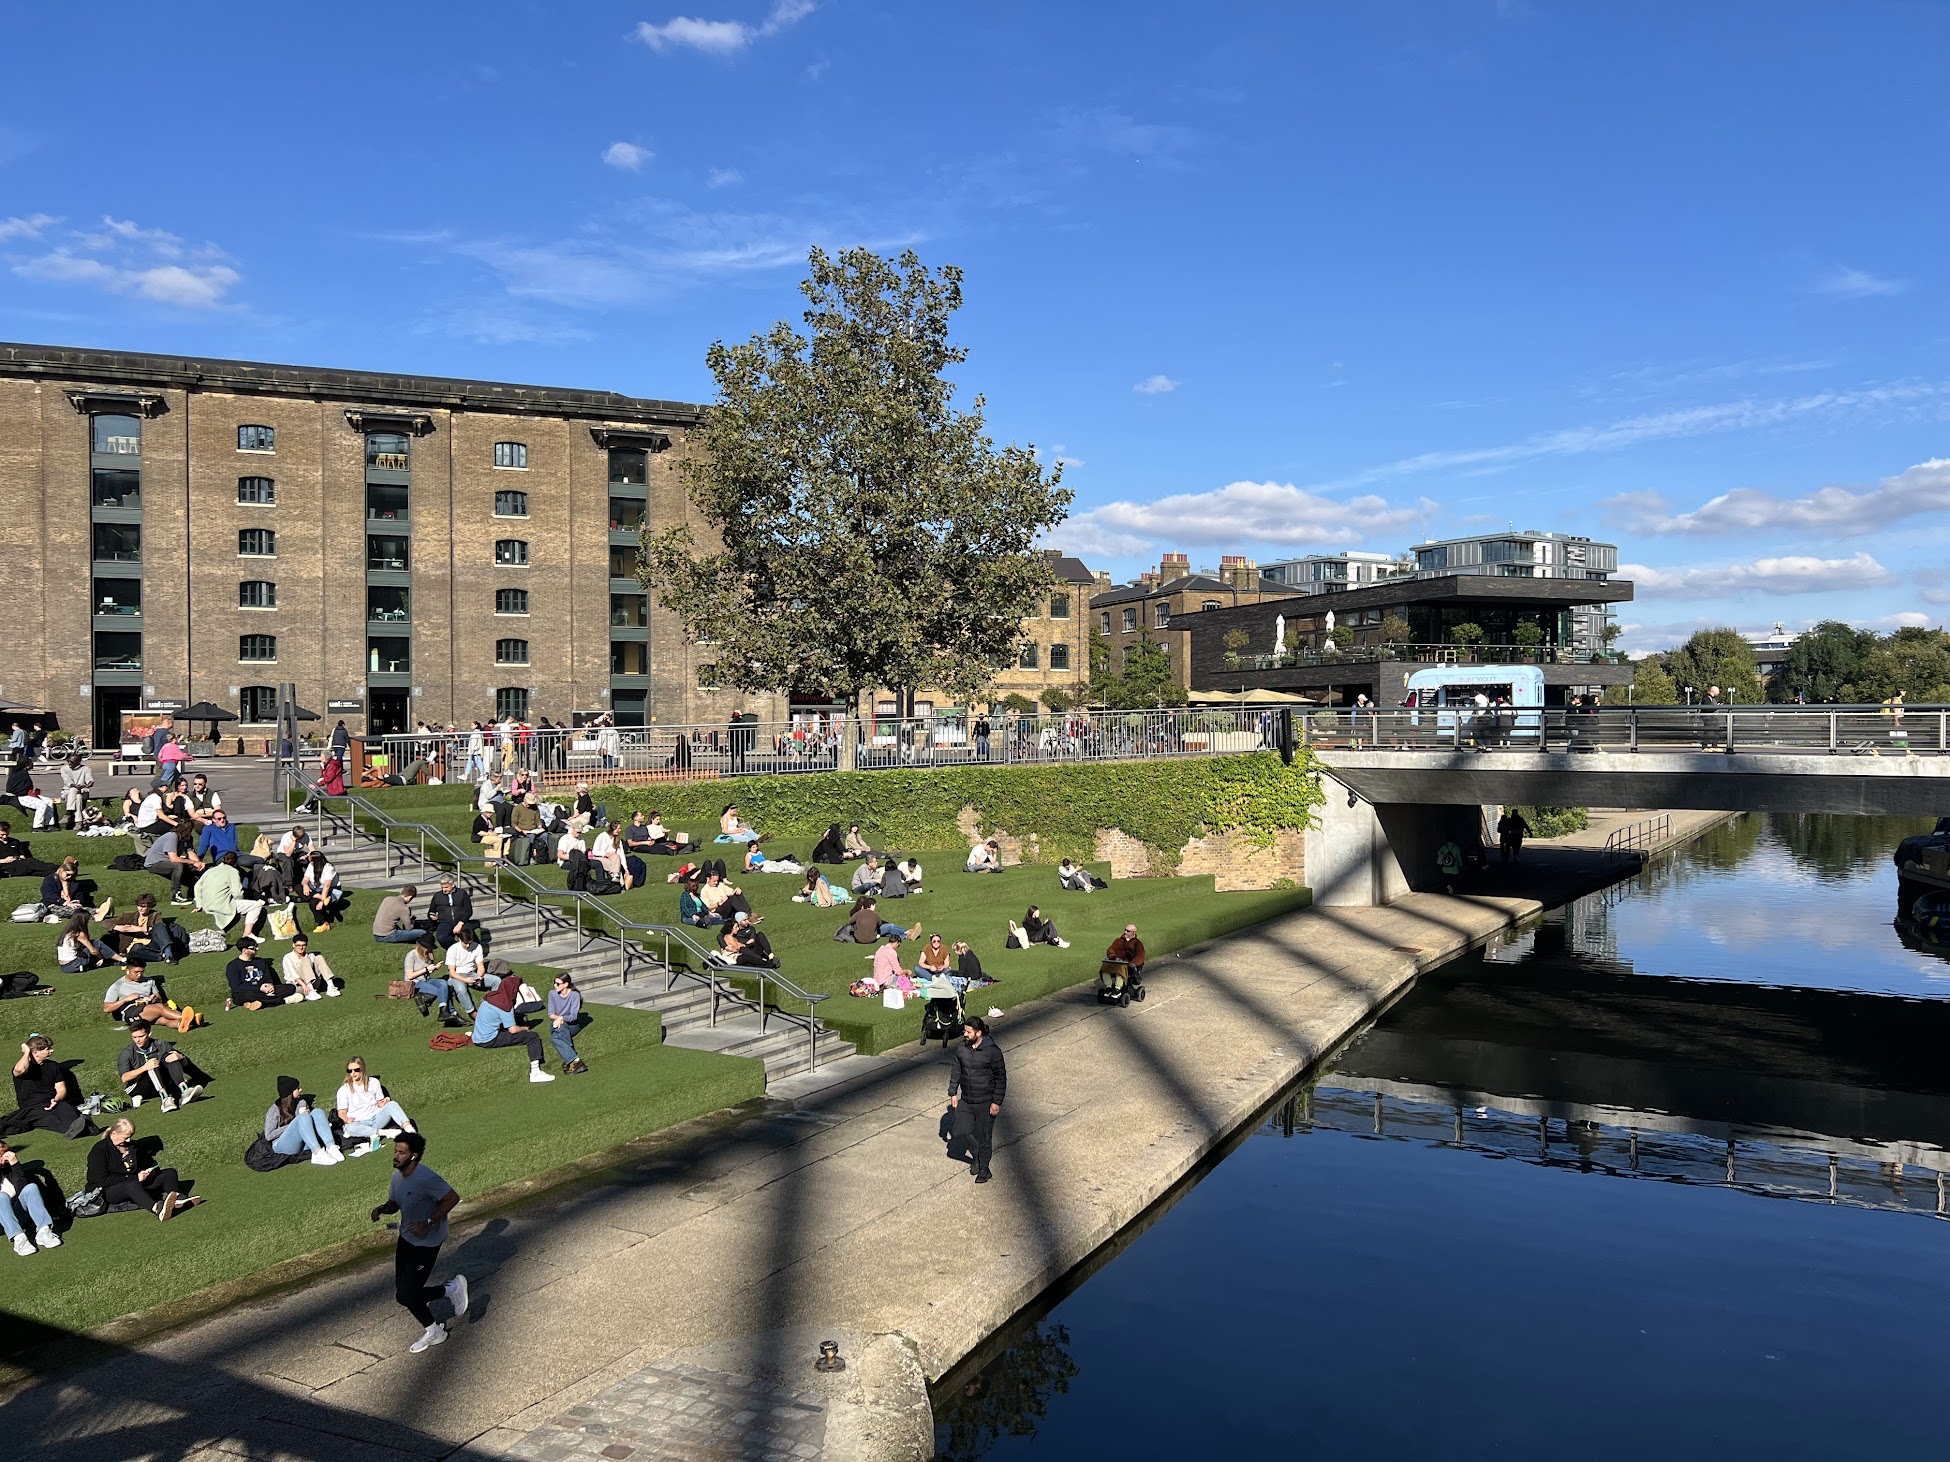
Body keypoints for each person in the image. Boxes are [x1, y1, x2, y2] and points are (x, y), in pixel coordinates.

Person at [370, 1131, 467, 1353]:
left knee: (407, 1294)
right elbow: (395, 1203)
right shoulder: (397, 1177)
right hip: (406, 1238)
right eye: (396, 1151)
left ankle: (452, 1289)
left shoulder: (426, 1178)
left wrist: (429, 1222)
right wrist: (381, 1209)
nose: (396, 1156)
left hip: (427, 1243)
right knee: (404, 1293)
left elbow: (452, 1198)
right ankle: (434, 1331)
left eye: (401, 1153)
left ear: (413, 1156)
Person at [87, 1117, 201, 1220]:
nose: (128, 1141)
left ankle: (177, 1197)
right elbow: (103, 1180)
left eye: (130, 1137)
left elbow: (145, 1164)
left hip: (135, 1183)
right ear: (114, 1133)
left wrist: (149, 1172)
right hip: (107, 1191)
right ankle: (157, 1209)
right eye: (126, 1137)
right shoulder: (99, 1150)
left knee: (169, 1173)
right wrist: (135, 1178)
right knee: (131, 1185)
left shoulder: (132, 1146)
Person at [947, 1016, 1006, 1184]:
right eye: (965, 1031)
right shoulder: (962, 1048)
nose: (965, 1034)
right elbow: (956, 1070)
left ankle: (984, 1169)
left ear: (979, 1033)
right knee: (959, 1131)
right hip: (966, 1099)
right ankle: (977, 1156)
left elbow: (1001, 1078)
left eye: (968, 1031)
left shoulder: (993, 1052)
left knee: (985, 1137)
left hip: (985, 1101)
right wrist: (953, 1092)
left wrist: (996, 1102)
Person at [471, 977, 555, 1082]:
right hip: (489, 1040)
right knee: (533, 1037)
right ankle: (535, 1072)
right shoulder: (505, 1005)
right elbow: (513, 1030)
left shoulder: (489, 998)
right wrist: (525, 1028)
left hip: (477, 1037)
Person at [12, 1035, 92, 1138]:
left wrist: (57, 1099)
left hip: (53, 1102)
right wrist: (27, 1052)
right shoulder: (23, 1067)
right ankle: (78, 1129)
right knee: (47, 1119)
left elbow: (61, 1089)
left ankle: (81, 1127)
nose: (51, 1051)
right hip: (31, 1106)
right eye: (48, 1049)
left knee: (71, 1115)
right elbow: (19, 1070)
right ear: (35, 1052)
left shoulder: (54, 1066)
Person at [117, 1019, 205, 1110]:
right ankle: (165, 1099)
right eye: (134, 1037)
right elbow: (124, 1078)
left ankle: (185, 1090)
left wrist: (181, 1057)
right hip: (139, 1087)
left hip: (164, 1082)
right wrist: (144, 1067)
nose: (137, 1040)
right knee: (152, 1063)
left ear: (149, 1034)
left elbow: (187, 1066)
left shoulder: (161, 1045)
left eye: (141, 1036)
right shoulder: (127, 1052)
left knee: (169, 1056)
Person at [336, 1057, 415, 1155]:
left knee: (392, 1104)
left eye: (356, 1070)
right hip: (360, 1122)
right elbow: (341, 1112)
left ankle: (410, 1131)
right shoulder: (344, 1090)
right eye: (350, 1071)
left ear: (362, 1069)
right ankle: (384, 1133)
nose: (353, 1073)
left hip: (376, 1118)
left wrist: (385, 1101)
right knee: (349, 1128)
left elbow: (379, 1103)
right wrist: (347, 1120)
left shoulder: (373, 1082)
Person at [264, 1075, 345, 1166]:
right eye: (297, 1088)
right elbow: (269, 1135)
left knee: (317, 1111)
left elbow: (307, 1123)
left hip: (303, 1143)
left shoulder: (301, 1102)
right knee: (302, 1118)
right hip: (282, 1146)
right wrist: (293, 1124)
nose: (300, 1090)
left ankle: (331, 1147)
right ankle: (317, 1153)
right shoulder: (274, 1110)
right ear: (290, 1092)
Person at [0, 1137, 62, 1254]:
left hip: (18, 1215)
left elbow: (22, 1190)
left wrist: (15, 1165)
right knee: (1, 1197)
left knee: (31, 1188)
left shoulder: (9, 1170)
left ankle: (43, 1231)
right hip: (2, 1222)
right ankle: (19, 1239)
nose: (2, 1159)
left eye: (3, 1155)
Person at [192, 851, 267, 942]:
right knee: (256, 905)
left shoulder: (210, 870)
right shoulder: (233, 872)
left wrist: (199, 905)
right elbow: (238, 894)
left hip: (206, 905)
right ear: (236, 861)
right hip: (222, 905)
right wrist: (242, 901)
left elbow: (197, 887)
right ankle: (247, 934)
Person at [104, 959, 198, 1030]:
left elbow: (160, 1000)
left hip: (149, 1008)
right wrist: (126, 999)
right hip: (131, 1011)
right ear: (127, 970)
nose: (139, 975)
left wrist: (154, 999)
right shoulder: (118, 985)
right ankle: (190, 1019)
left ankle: (181, 1025)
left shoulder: (149, 982)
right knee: (160, 1008)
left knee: (163, 1020)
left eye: (142, 972)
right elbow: (106, 1008)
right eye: (136, 972)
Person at [225, 936, 298, 1011]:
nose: (256, 949)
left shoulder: (261, 961)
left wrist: (270, 985)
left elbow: (267, 976)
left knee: (290, 988)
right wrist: (259, 988)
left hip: (264, 991)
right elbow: (237, 987)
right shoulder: (233, 966)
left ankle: (256, 1003)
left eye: (256, 947)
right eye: (253, 948)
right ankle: (283, 1001)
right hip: (247, 992)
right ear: (244, 950)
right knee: (248, 995)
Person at [142, 821, 204, 905]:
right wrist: (193, 862)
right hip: (155, 863)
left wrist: (198, 863)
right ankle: (176, 895)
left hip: (168, 862)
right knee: (177, 866)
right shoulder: (172, 837)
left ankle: (196, 894)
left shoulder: (186, 839)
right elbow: (174, 859)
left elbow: (190, 853)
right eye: (190, 830)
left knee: (195, 868)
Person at [40, 857, 109, 923]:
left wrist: (77, 902)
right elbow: (49, 895)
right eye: (68, 874)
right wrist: (65, 903)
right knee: (68, 911)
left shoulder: (73, 883)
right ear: (61, 870)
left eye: (71, 875)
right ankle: (96, 913)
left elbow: (79, 895)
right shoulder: (49, 880)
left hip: (69, 904)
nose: (69, 877)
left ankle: (99, 912)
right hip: (52, 905)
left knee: (76, 909)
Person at [547, 973, 588, 1074]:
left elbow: (573, 1017)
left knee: (555, 1038)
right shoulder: (552, 993)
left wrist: (562, 1018)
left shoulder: (574, 995)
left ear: (565, 984)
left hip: (572, 1025)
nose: (555, 985)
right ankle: (575, 1061)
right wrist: (558, 1019)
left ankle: (571, 1060)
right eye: (554, 983)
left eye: (558, 984)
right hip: (556, 1023)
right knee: (560, 1028)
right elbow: (551, 1014)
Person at [3, 751, 55, 830]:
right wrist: (30, 793)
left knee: (48, 801)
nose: (32, 764)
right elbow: (16, 790)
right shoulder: (19, 774)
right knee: (41, 804)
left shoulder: (24, 773)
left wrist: (33, 793)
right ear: (26, 765)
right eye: (31, 762)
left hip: (26, 795)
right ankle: (37, 826)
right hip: (19, 797)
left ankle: (50, 824)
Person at [59, 911, 123, 973]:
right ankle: (121, 959)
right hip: (74, 964)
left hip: (65, 967)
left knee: (88, 946)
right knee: (96, 943)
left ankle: (95, 962)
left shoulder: (67, 932)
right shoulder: (79, 934)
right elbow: (93, 951)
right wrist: (100, 957)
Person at [282, 934, 342, 1000]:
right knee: (305, 960)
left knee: (319, 957)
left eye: (303, 945)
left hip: (314, 982)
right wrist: (304, 985)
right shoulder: (288, 957)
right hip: (298, 985)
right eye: (298, 945)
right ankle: (310, 991)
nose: (301, 948)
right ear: (293, 945)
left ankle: (331, 986)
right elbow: (293, 974)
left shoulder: (311, 956)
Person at [427, 875, 481, 946]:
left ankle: (474, 949)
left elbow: (468, 911)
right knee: (441, 937)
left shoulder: (462, 893)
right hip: (445, 922)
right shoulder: (437, 896)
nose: (444, 890)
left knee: (468, 936)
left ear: (452, 885)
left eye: (446, 887)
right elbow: (431, 911)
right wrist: (431, 916)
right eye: (442, 887)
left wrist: (460, 924)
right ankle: (457, 947)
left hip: (461, 921)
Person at [298, 852, 345, 931]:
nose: (310, 862)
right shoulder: (311, 866)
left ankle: (324, 923)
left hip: (331, 890)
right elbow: (305, 879)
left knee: (313, 903)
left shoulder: (328, 868)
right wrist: (305, 885)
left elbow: (327, 886)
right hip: (317, 889)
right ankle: (321, 897)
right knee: (298, 887)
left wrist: (322, 901)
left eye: (311, 860)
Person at [849, 895, 919, 945]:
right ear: (870, 905)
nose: (875, 907)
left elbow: (850, 922)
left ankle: (906, 936)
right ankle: (907, 931)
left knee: (887, 934)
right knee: (890, 927)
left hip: (859, 938)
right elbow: (879, 924)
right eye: (874, 905)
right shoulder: (873, 914)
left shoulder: (856, 914)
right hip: (872, 935)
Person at [1106, 923, 1147, 995]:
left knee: (1120, 973)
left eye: (1128, 931)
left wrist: (1133, 963)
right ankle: (1109, 987)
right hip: (1118, 963)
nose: (1125, 932)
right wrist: (1113, 956)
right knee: (1105, 971)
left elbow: (1140, 955)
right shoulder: (1118, 940)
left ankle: (1118, 989)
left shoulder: (1137, 943)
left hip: (1129, 966)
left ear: (1133, 933)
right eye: (1125, 930)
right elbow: (1111, 949)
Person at [58, 752, 95, 831]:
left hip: (82, 790)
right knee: (77, 796)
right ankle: (79, 822)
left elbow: (89, 778)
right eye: (68, 761)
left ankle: (68, 813)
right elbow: (67, 780)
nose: (69, 763)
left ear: (78, 762)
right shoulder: (64, 769)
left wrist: (89, 783)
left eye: (71, 762)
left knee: (77, 793)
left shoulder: (86, 769)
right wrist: (74, 785)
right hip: (68, 791)